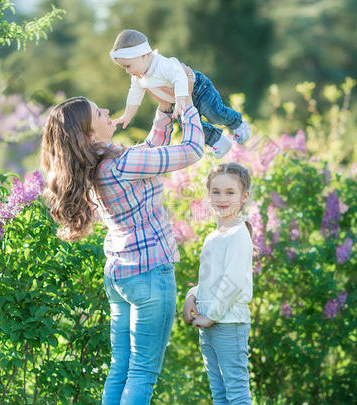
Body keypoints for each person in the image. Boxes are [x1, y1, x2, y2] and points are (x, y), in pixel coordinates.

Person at [40, 89, 205, 404]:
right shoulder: (122, 163)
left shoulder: (93, 166)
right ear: (89, 135)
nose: (106, 110)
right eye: (98, 113)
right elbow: (193, 150)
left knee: (121, 369)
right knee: (142, 374)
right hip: (150, 273)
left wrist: (165, 110)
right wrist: (186, 103)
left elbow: (148, 153)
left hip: (120, 274)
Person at [110, 29, 251, 159]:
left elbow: (180, 77)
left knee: (214, 114)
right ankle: (219, 141)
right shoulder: (138, 77)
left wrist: (180, 100)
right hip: (177, 102)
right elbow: (134, 95)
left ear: (144, 55)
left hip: (197, 89)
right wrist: (127, 115)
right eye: (124, 68)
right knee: (187, 125)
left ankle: (238, 123)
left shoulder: (162, 64)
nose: (127, 71)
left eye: (128, 66)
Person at [182, 163, 254, 404]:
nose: (222, 198)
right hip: (210, 322)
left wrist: (211, 315)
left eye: (230, 192)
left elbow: (232, 281)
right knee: (220, 393)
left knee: (236, 392)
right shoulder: (214, 236)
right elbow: (211, 279)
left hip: (228, 323)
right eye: (216, 191)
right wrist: (192, 296)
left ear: (244, 197)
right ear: (208, 194)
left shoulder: (239, 234)